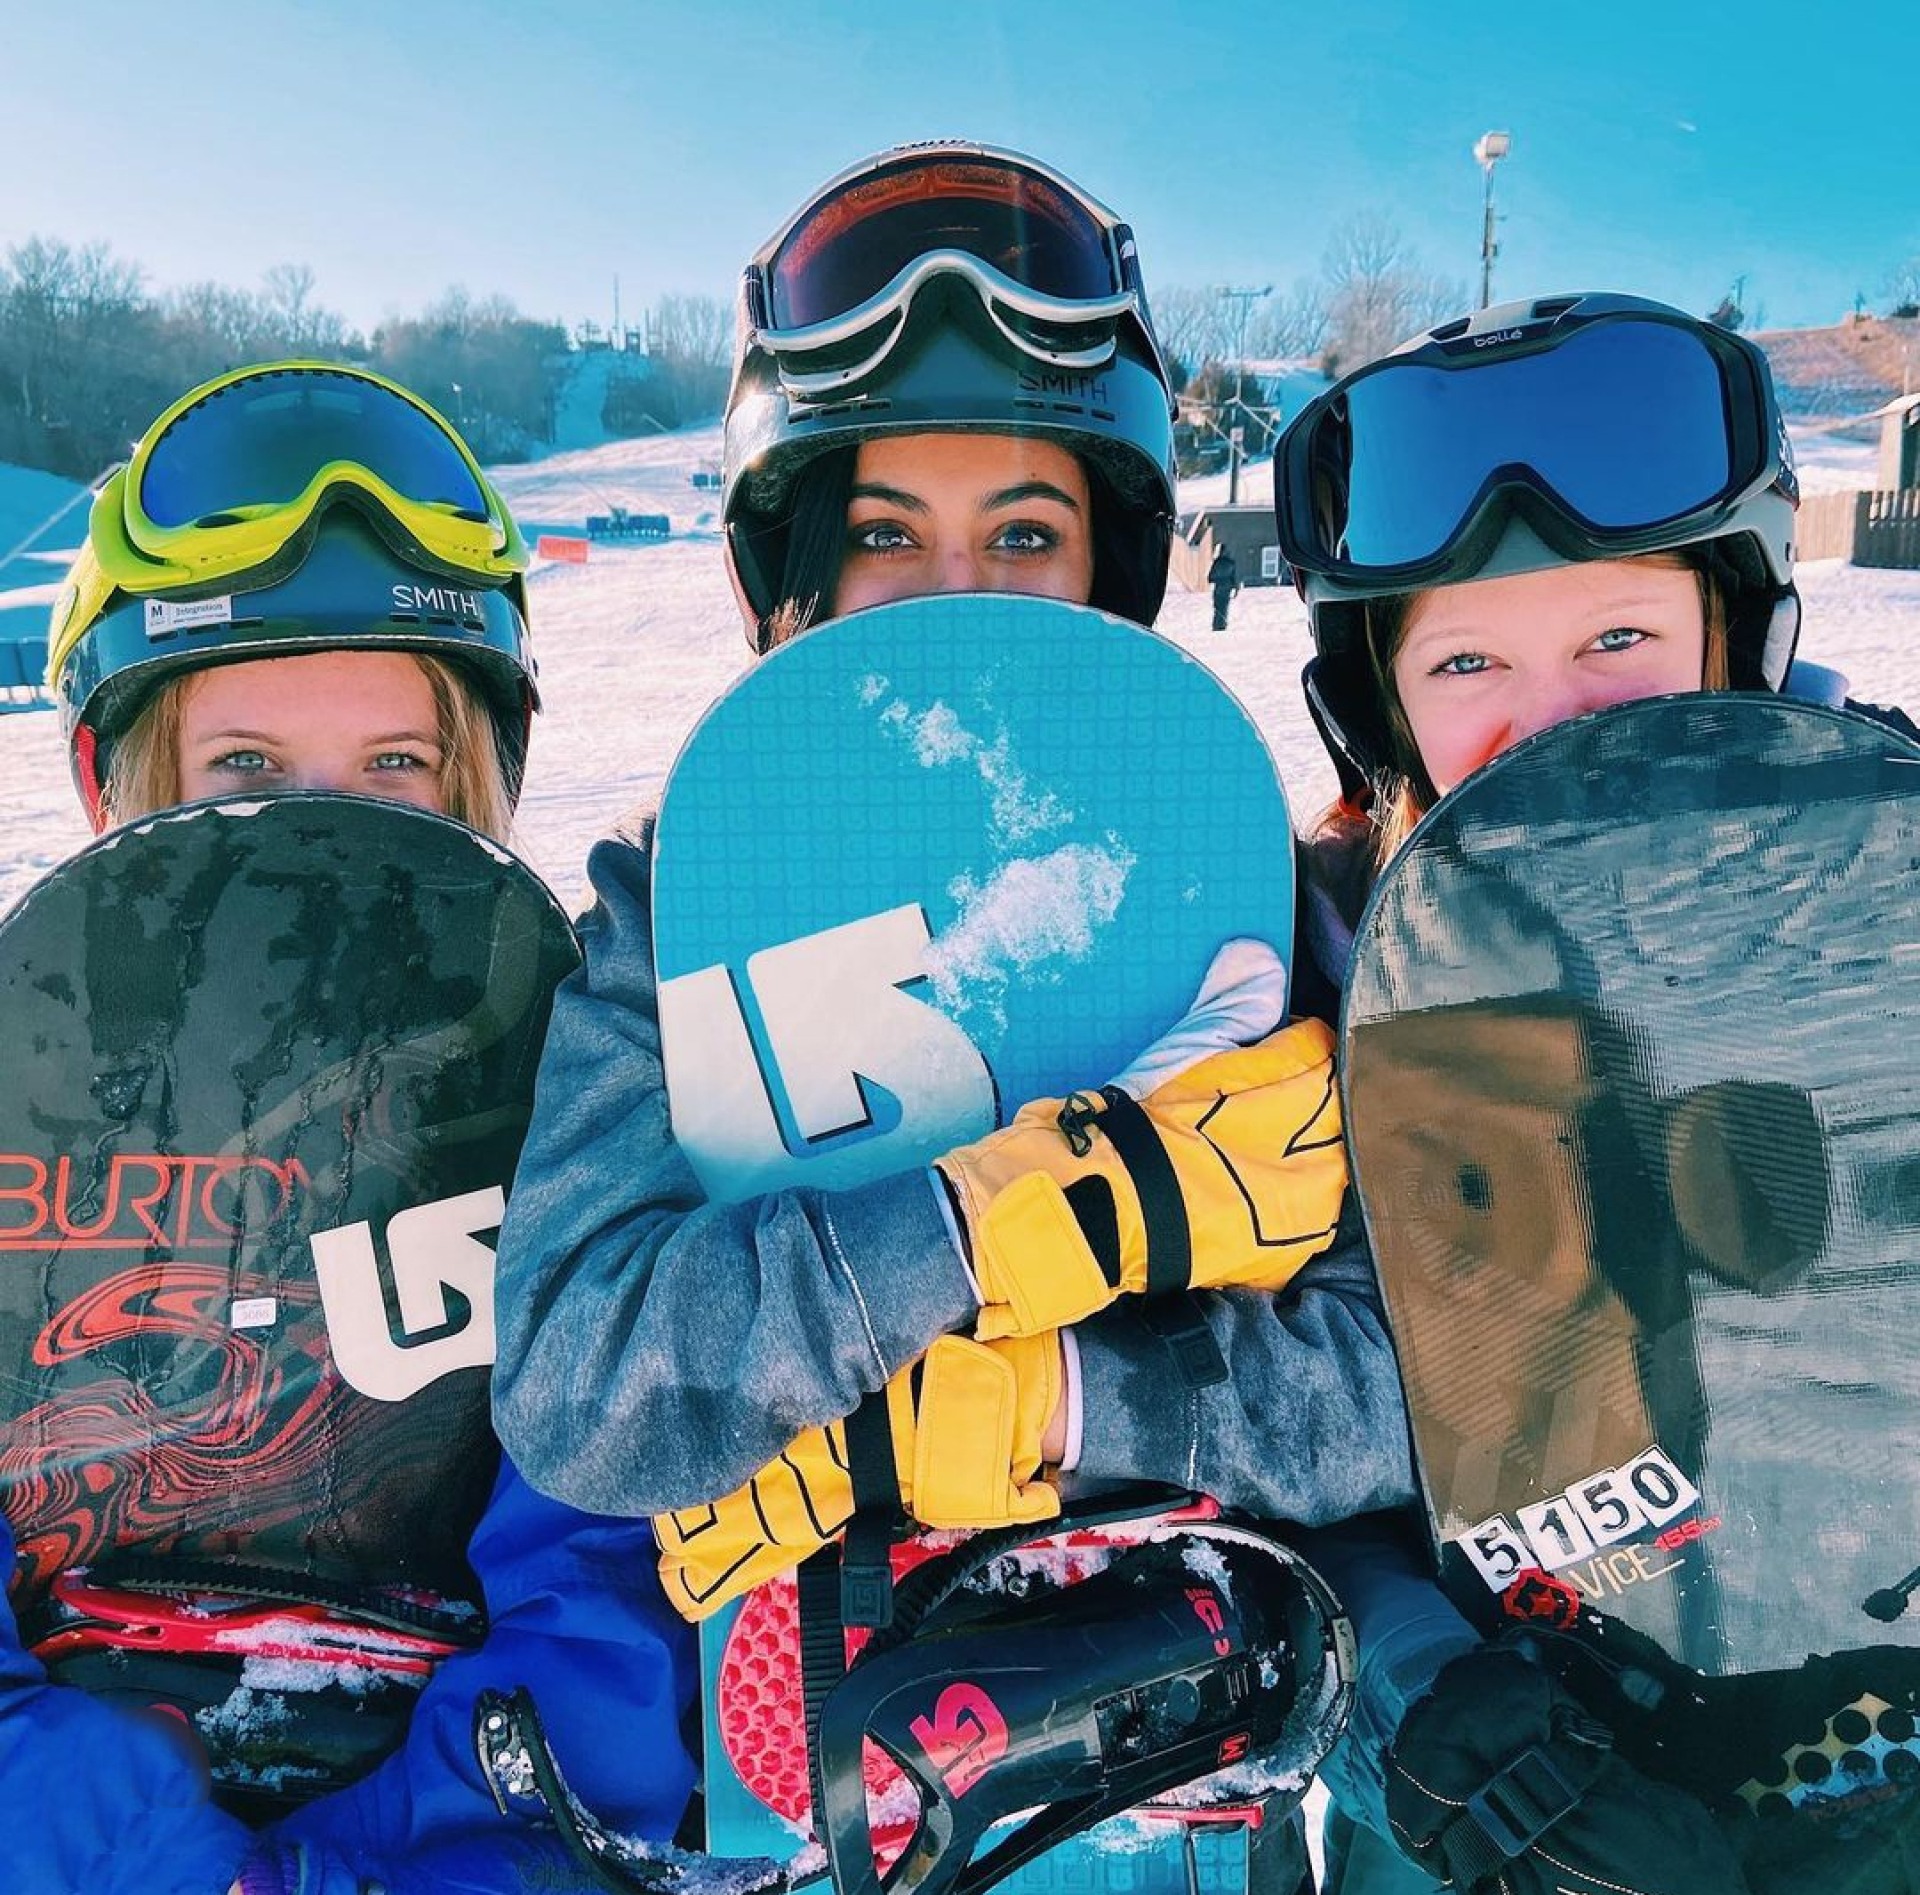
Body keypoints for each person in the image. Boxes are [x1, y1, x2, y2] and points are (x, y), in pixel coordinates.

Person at [492, 142, 1413, 1891]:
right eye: (884, 536)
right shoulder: (681, 900)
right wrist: (976, 1226)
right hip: (829, 1788)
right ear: (797, 583)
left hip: (1190, 1789)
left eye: (1025, 534)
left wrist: (1064, 1401)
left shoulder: (1238, 880)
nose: (955, 592)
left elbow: (1416, 1386)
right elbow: (583, 1391)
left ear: (1109, 572)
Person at [9, 360, 695, 1894]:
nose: (325, 848)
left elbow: (598, 1595)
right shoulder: (17, 1090)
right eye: (243, 770)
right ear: (111, 788)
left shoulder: (567, 1103)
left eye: (397, 767)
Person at [1271, 290, 1919, 1895]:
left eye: (1617, 635)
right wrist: (1437, 1715)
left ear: (1732, 626)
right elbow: (1287, 1464)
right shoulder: (1316, 981)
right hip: (1492, 1796)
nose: (1551, 710)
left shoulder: (1877, 901)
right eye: (1469, 655)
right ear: (1382, 704)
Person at [1209, 541, 1241, 630]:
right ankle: (1222, 625)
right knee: (1224, 607)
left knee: (1217, 607)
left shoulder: (1217, 563)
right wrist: (1236, 588)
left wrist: (1214, 579)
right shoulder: (1231, 563)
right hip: (1227, 588)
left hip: (1218, 588)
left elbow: (1211, 576)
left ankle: (1216, 625)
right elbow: (1234, 577)